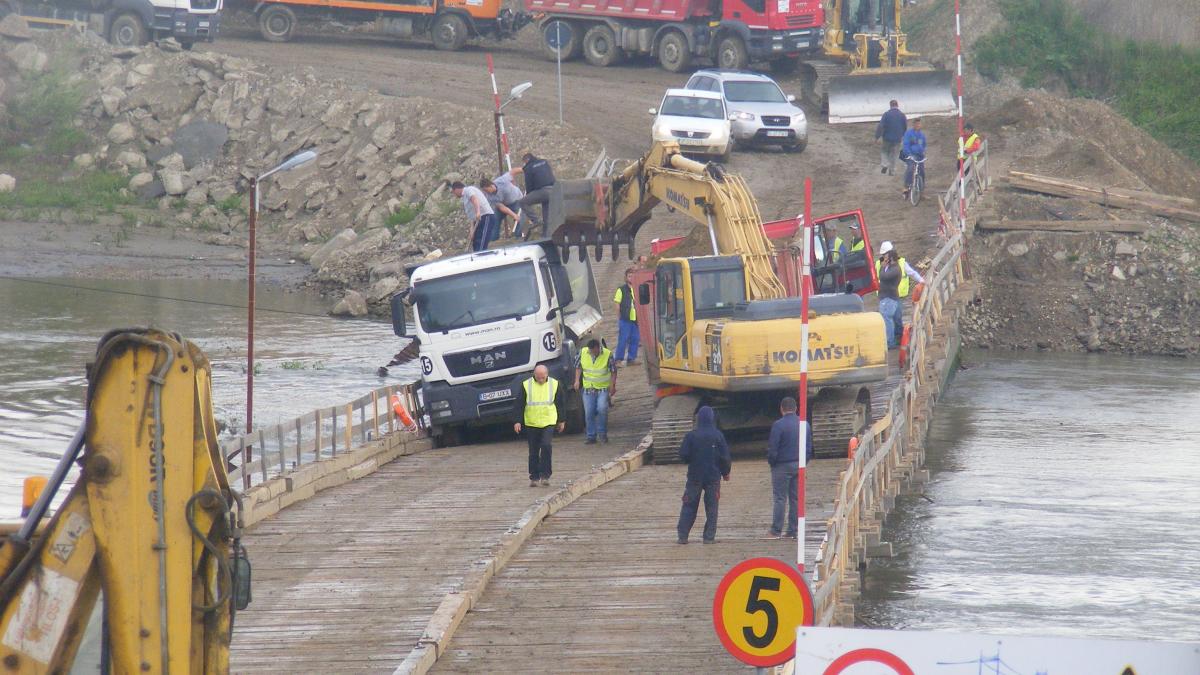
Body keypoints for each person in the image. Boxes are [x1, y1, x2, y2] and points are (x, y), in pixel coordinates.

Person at [676, 406, 731, 545]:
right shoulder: (718, 435)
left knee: (689, 505)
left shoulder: (691, 435)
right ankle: (709, 537)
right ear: (712, 418)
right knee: (712, 507)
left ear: (698, 419)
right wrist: (726, 472)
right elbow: (725, 457)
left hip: (695, 476)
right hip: (713, 477)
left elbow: (683, 455)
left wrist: (691, 459)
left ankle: (683, 536)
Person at [766, 397, 812, 540]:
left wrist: (772, 462)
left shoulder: (778, 425)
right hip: (799, 465)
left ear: (781, 409)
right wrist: (804, 461)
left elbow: (773, 448)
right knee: (795, 499)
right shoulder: (804, 424)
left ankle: (776, 531)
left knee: (780, 498)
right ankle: (792, 531)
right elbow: (809, 447)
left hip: (781, 465)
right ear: (796, 408)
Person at [512, 364, 566, 487]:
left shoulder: (555, 384)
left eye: (543, 377)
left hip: (548, 420)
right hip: (532, 422)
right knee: (533, 450)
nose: (541, 380)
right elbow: (519, 404)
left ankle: (546, 475)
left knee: (546, 446)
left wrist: (562, 420)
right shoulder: (526, 385)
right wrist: (517, 421)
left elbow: (560, 403)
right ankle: (534, 477)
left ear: (547, 374)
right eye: (538, 377)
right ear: (534, 375)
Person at [875, 241, 925, 348]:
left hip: (897, 295)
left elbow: (912, 273)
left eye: (885, 254)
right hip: (887, 295)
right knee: (892, 318)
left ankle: (897, 339)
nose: (884, 257)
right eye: (883, 255)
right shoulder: (880, 264)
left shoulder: (900, 263)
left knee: (895, 318)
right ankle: (897, 338)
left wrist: (922, 281)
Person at [574, 338, 617, 444]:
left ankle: (602, 434)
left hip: (602, 388)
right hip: (589, 388)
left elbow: (613, 371)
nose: (592, 353)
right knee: (589, 412)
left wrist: (612, 386)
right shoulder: (584, 352)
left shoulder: (607, 354)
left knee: (602, 408)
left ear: (598, 348)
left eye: (593, 351)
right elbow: (578, 367)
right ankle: (591, 436)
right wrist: (576, 381)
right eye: (590, 351)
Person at [515, 152, 556, 239]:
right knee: (547, 216)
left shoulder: (528, 167)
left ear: (526, 160)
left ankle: (536, 221)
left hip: (542, 191)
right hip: (553, 190)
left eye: (524, 162)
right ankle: (546, 236)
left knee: (523, 202)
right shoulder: (544, 162)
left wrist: (531, 195)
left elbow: (529, 184)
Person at [451, 181, 496, 252]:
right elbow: (471, 215)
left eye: (453, 192)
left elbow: (475, 199)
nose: (454, 195)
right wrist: (471, 230)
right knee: (476, 243)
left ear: (456, 189)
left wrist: (478, 212)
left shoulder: (468, 190)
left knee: (481, 242)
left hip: (485, 216)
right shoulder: (464, 198)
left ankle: (481, 259)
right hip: (477, 220)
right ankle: (477, 259)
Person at [480, 171, 525, 238]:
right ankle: (494, 239)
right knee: (494, 219)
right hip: (504, 205)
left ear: (491, 186)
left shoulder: (501, 181)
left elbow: (513, 172)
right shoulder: (489, 196)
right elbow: (502, 207)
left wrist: (525, 169)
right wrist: (513, 215)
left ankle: (518, 237)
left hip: (517, 200)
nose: (486, 192)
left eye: (486, 190)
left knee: (520, 218)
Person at [613, 268, 640, 367]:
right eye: (629, 276)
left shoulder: (637, 288)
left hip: (635, 319)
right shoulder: (621, 289)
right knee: (623, 339)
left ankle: (631, 358)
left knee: (635, 339)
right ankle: (618, 360)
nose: (631, 278)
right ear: (626, 277)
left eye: (633, 276)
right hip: (625, 319)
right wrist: (619, 315)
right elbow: (617, 303)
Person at [874, 99, 907, 176]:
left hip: (887, 138)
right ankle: (892, 171)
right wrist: (903, 136)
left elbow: (881, 126)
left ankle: (885, 164)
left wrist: (877, 137)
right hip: (897, 139)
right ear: (897, 105)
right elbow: (905, 127)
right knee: (895, 154)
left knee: (884, 151)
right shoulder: (902, 115)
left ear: (890, 106)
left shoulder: (886, 114)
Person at [901, 117, 927, 199]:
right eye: (916, 123)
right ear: (913, 124)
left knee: (922, 172)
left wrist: (924, 151)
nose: (918, 125)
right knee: (910, 168)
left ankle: (921, 192)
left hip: (920, 156)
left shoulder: (922, 135)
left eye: (919, 123)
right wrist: (909, 154)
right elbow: (906, 145)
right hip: (910, 155)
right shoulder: (909, 134)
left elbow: (924, 145)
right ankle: (906, 187)